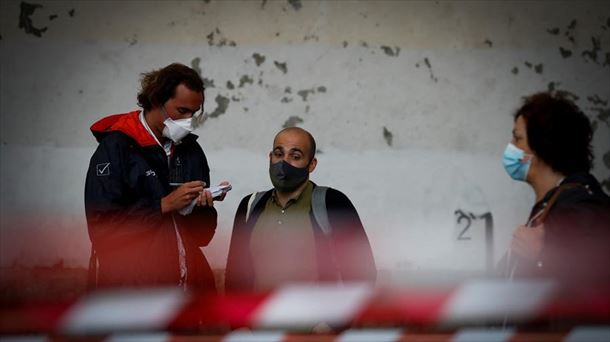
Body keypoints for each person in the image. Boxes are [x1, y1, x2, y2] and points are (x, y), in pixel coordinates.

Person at [85, 63, 228, 291]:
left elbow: (201, 237)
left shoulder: (191, 150)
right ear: (155, 101)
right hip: (133, 295)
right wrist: (163, 205)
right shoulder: (117, 147)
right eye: (182, 111)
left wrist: (201, 206)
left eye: (195, 113)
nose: (188, 122)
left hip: (189, 290)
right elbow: (102, 230)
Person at [225, 127, 376, 291]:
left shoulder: (332, 203)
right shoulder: (250, 205)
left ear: (312, 164)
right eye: (278, 154)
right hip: (261, 314)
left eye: (295, 156)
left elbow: (363, 271)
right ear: (270, 157)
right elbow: (234, 276)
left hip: (316, 315)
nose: (284, 162)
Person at [501, 92, 610, 286]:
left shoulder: (582, 207)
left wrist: (544, 253)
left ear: (543, 146)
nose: (510, 147)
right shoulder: (552, 203)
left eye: (517, 139)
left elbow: (594, 280)